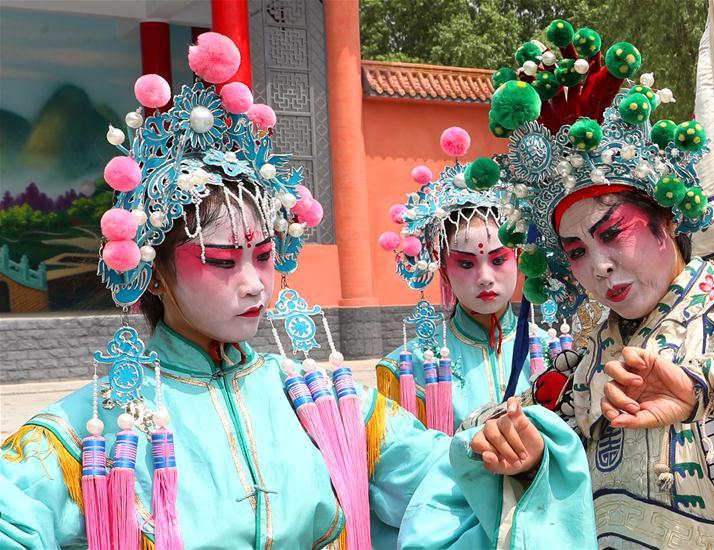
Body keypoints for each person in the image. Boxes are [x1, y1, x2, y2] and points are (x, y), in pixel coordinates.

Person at [1, 32, 596, 549]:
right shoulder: (94, 430)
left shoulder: (321, 402)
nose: (253, 282)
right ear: (156, 269)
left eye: (263, 256)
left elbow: (438, 475)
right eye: (223, 260)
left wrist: (505, 452)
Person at [429, 19, 714, 549]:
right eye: (577, 251)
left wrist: (703, 386)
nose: (599, 265)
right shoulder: (582, 368)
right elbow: (503, 428)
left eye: (612, 233)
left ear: (667, 221)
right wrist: (524, 446)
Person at [375, 148, 545, 433]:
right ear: (443, 271)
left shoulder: (555, 351)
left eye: (498, 259)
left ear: (517, 258)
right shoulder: (409, 368)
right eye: (466, 263)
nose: (485, 278)